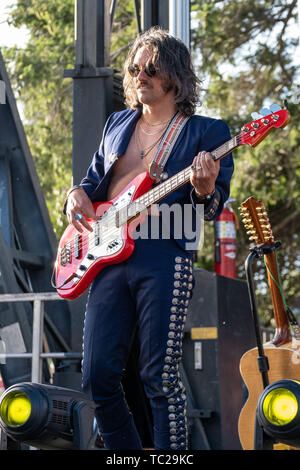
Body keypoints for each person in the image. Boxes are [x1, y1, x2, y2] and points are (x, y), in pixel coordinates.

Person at [64, 27, 234, 450]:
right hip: (107, 257)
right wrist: (74, 195)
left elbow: (211, 209)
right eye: (135, 68)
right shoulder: (117, 123)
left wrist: (204, 188)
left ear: (174, 76)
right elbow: (91, 183)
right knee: (97, 375)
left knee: (158, 375)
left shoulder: (205, 133)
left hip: (163, 255)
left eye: (151, 68)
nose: (140, 75)